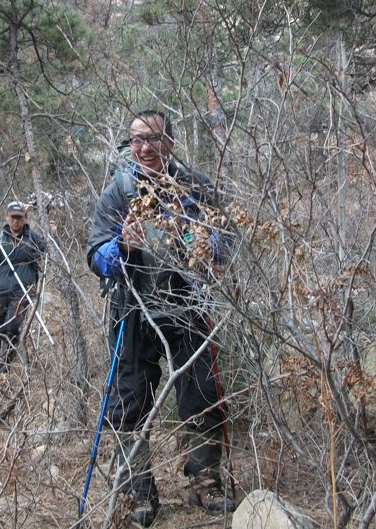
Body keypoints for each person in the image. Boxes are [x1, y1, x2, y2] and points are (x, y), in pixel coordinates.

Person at [86, 111, 235, 526]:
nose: (144, 148)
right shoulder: (118, 192)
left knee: (203, 391)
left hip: (188, 305)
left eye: (152, 138)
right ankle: (138, 492)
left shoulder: (196, 186)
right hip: (134, 309)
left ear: (170, 140)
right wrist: (120, 248)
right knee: (129, 400)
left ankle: (204, 481)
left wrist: (207, 241)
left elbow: (227, 241)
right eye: (136, 140)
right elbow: (95, 253)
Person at [0, 200, 46, 384]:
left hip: (23, 292)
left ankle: (6, 367)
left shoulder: (33, 238)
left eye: (19, 218)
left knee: (12, 328)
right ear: (7, 217)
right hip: (0, 290)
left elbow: (47, 254)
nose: (16, 221)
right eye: (13, 217)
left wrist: (54, 236)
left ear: (25, 218)